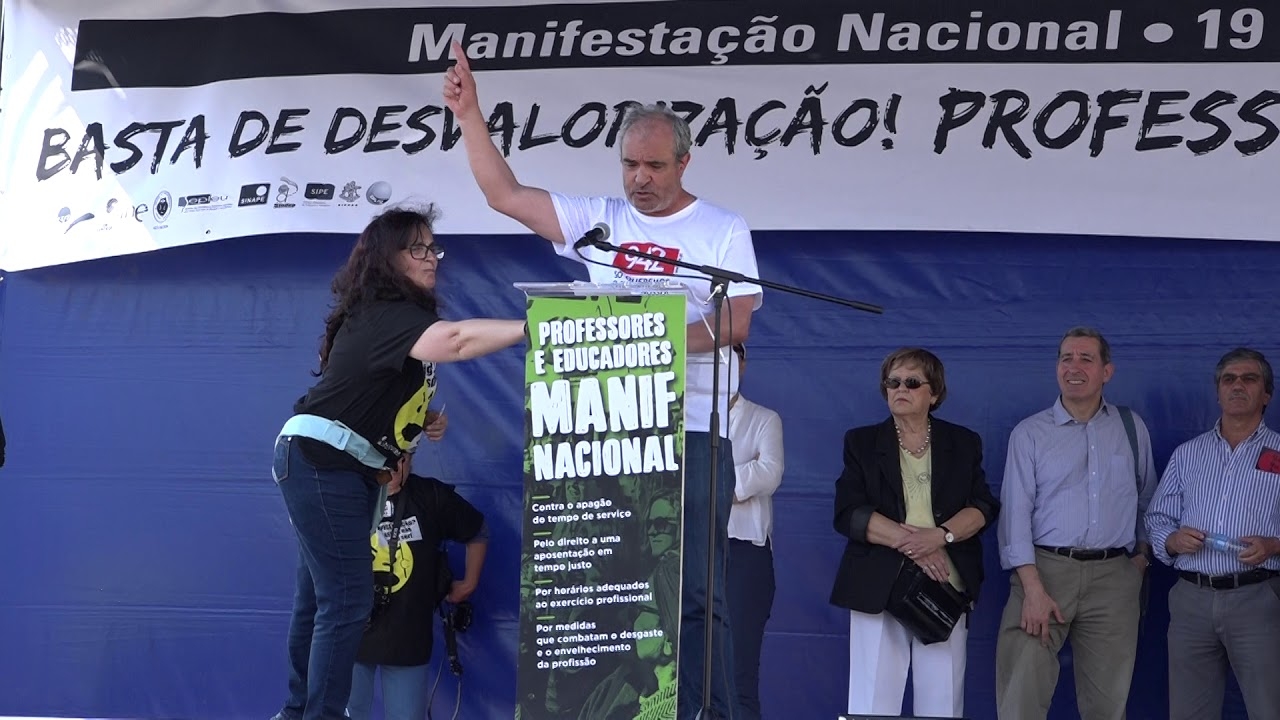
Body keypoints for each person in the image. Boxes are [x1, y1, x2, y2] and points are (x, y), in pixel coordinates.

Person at [445, 42, 762, 719]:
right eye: (629, 164)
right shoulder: (599, 223)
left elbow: (736, 322)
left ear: (684, 161)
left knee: (699, 593)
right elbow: (505, 195)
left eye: (653, 165)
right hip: (611, 435)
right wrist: (470, 114)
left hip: (694, 432)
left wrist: (651, 341)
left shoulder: (722, 229)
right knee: (611, 593)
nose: (639, 179)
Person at [269, 206, 525, 720]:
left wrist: (421, 420)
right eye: (418, 249)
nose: (432, 258)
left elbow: (372, 394)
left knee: (317, 598)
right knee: (344, 602)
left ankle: (299, 712)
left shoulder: (397, 318)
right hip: (323, 463)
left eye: (434, 248)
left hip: (336, 466)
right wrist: (532, 324)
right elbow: (455, 341)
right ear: (388, 259)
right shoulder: (387, 314)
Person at [994, 326, 1157, 720]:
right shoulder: (1030, 433)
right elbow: (1015, 513)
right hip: (1044, 573)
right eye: (1066, 358)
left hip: (1114, 577)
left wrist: (1139, 559)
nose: (1074, 366)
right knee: (1022, 699)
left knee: (1107, 704)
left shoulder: (1131, 428)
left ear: (1107, 371)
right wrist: (1032, 588)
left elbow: (1149, 500)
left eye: (1086, 358)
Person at [830, 348, 999, 718]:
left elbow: (984, 507)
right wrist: (916, 545)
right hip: (878, 585)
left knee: (942, 705)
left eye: (911, 382)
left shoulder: (963, 443)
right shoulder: (861, 442)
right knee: (871, 704)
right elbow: (850, 513)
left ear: (934, 393)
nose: (899, 389)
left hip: (943, 587)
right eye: (892, 382)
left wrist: (940, 537)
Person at [1145, 347, 1280, 719]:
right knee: (1190, 712)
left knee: (1270, 708)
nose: (1238, 386)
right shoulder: (1188, 454)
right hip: (1191, 600)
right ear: (1218, 391)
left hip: (1259, 598)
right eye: (1228, 379)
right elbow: (1157, 517)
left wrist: (1274, 544)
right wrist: (1171, 541)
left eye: (1249, 379)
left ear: (1266, 394)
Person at [347, 451, 489, 720]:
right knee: (344, 713)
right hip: (351, 626)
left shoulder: (430, 496)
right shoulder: (348, 496)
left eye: (399, 463)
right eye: (381, 466)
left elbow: (478, 529)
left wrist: (469, 583)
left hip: (407, 633)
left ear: (410, 458)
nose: (391, 474)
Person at [725, 343, 783, 720]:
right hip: (686, 552)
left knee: (738, 672)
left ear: (743, 364)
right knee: (682, 670)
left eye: (731, 357)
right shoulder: (678, 418)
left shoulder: (764, 419)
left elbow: (769, 472)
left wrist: (711, 486)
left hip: (744, 552)